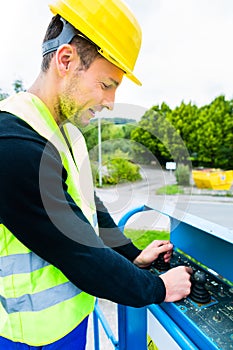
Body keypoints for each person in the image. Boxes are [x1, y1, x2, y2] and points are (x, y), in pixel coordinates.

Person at [0, 0, 192, 349]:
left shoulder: (65, 133)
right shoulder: (12, 144)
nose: (111, 102)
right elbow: (78, 252)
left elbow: (90, 206)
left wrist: (131, 254)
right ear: (66, 60)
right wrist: (159, 288)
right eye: (106, 84)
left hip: (71, 325)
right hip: (26, 338)